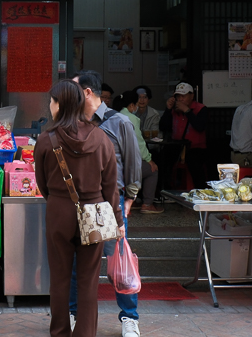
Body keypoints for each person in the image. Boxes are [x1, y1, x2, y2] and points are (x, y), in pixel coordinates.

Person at [35, 79, 125, 337]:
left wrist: (58, 201)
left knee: (60, 278)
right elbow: (111, 187)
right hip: (95, 213)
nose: (50, 105)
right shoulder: (101, 138)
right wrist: (117, 219)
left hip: (59, 211)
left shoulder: (45, 139)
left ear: (59, 104)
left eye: (52, 101)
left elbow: (43, 185)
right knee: (88, 281)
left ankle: (60, 332)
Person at [73, 71, 141, 337]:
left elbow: (133, 162)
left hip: (113, 203)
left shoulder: (119, 122)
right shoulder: (75, 123)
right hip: (83, 203)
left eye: (74, 90)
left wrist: (130, 199)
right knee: (80, 263)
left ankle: (130, 318)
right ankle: (73, 315)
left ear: (88, 92)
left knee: (119, 259)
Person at [113, 90, 162, 215]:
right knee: (153, 171)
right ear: (131, 105)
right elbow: (139, 143)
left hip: (114, 163)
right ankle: (147, 204)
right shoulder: (131, 119)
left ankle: (132, 200)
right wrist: (149, 159)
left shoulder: (112, 115)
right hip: (126, 164)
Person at [160, 82, 209, 190]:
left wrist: (187, 111)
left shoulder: (201, 109)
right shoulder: (174, 109)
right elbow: (163, 127)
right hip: (177, 145)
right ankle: (166, 190)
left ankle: (200, 191)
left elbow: (200, 126)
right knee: (163, 160)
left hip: (196, 147)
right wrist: (168, 110)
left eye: (184, 96)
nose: (181, 99)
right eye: (178, 96)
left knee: (195, 164)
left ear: (191, 96)